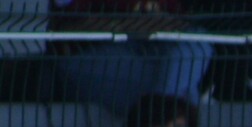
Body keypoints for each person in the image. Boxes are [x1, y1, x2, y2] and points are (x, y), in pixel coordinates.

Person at [49, 0, 211, 118]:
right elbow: (66, 24)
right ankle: (164, 126)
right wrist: (126, 26)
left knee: (197, 43)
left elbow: (184, 21)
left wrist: (163, 24)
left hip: (159, 48)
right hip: (102, 53)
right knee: (183, 82)